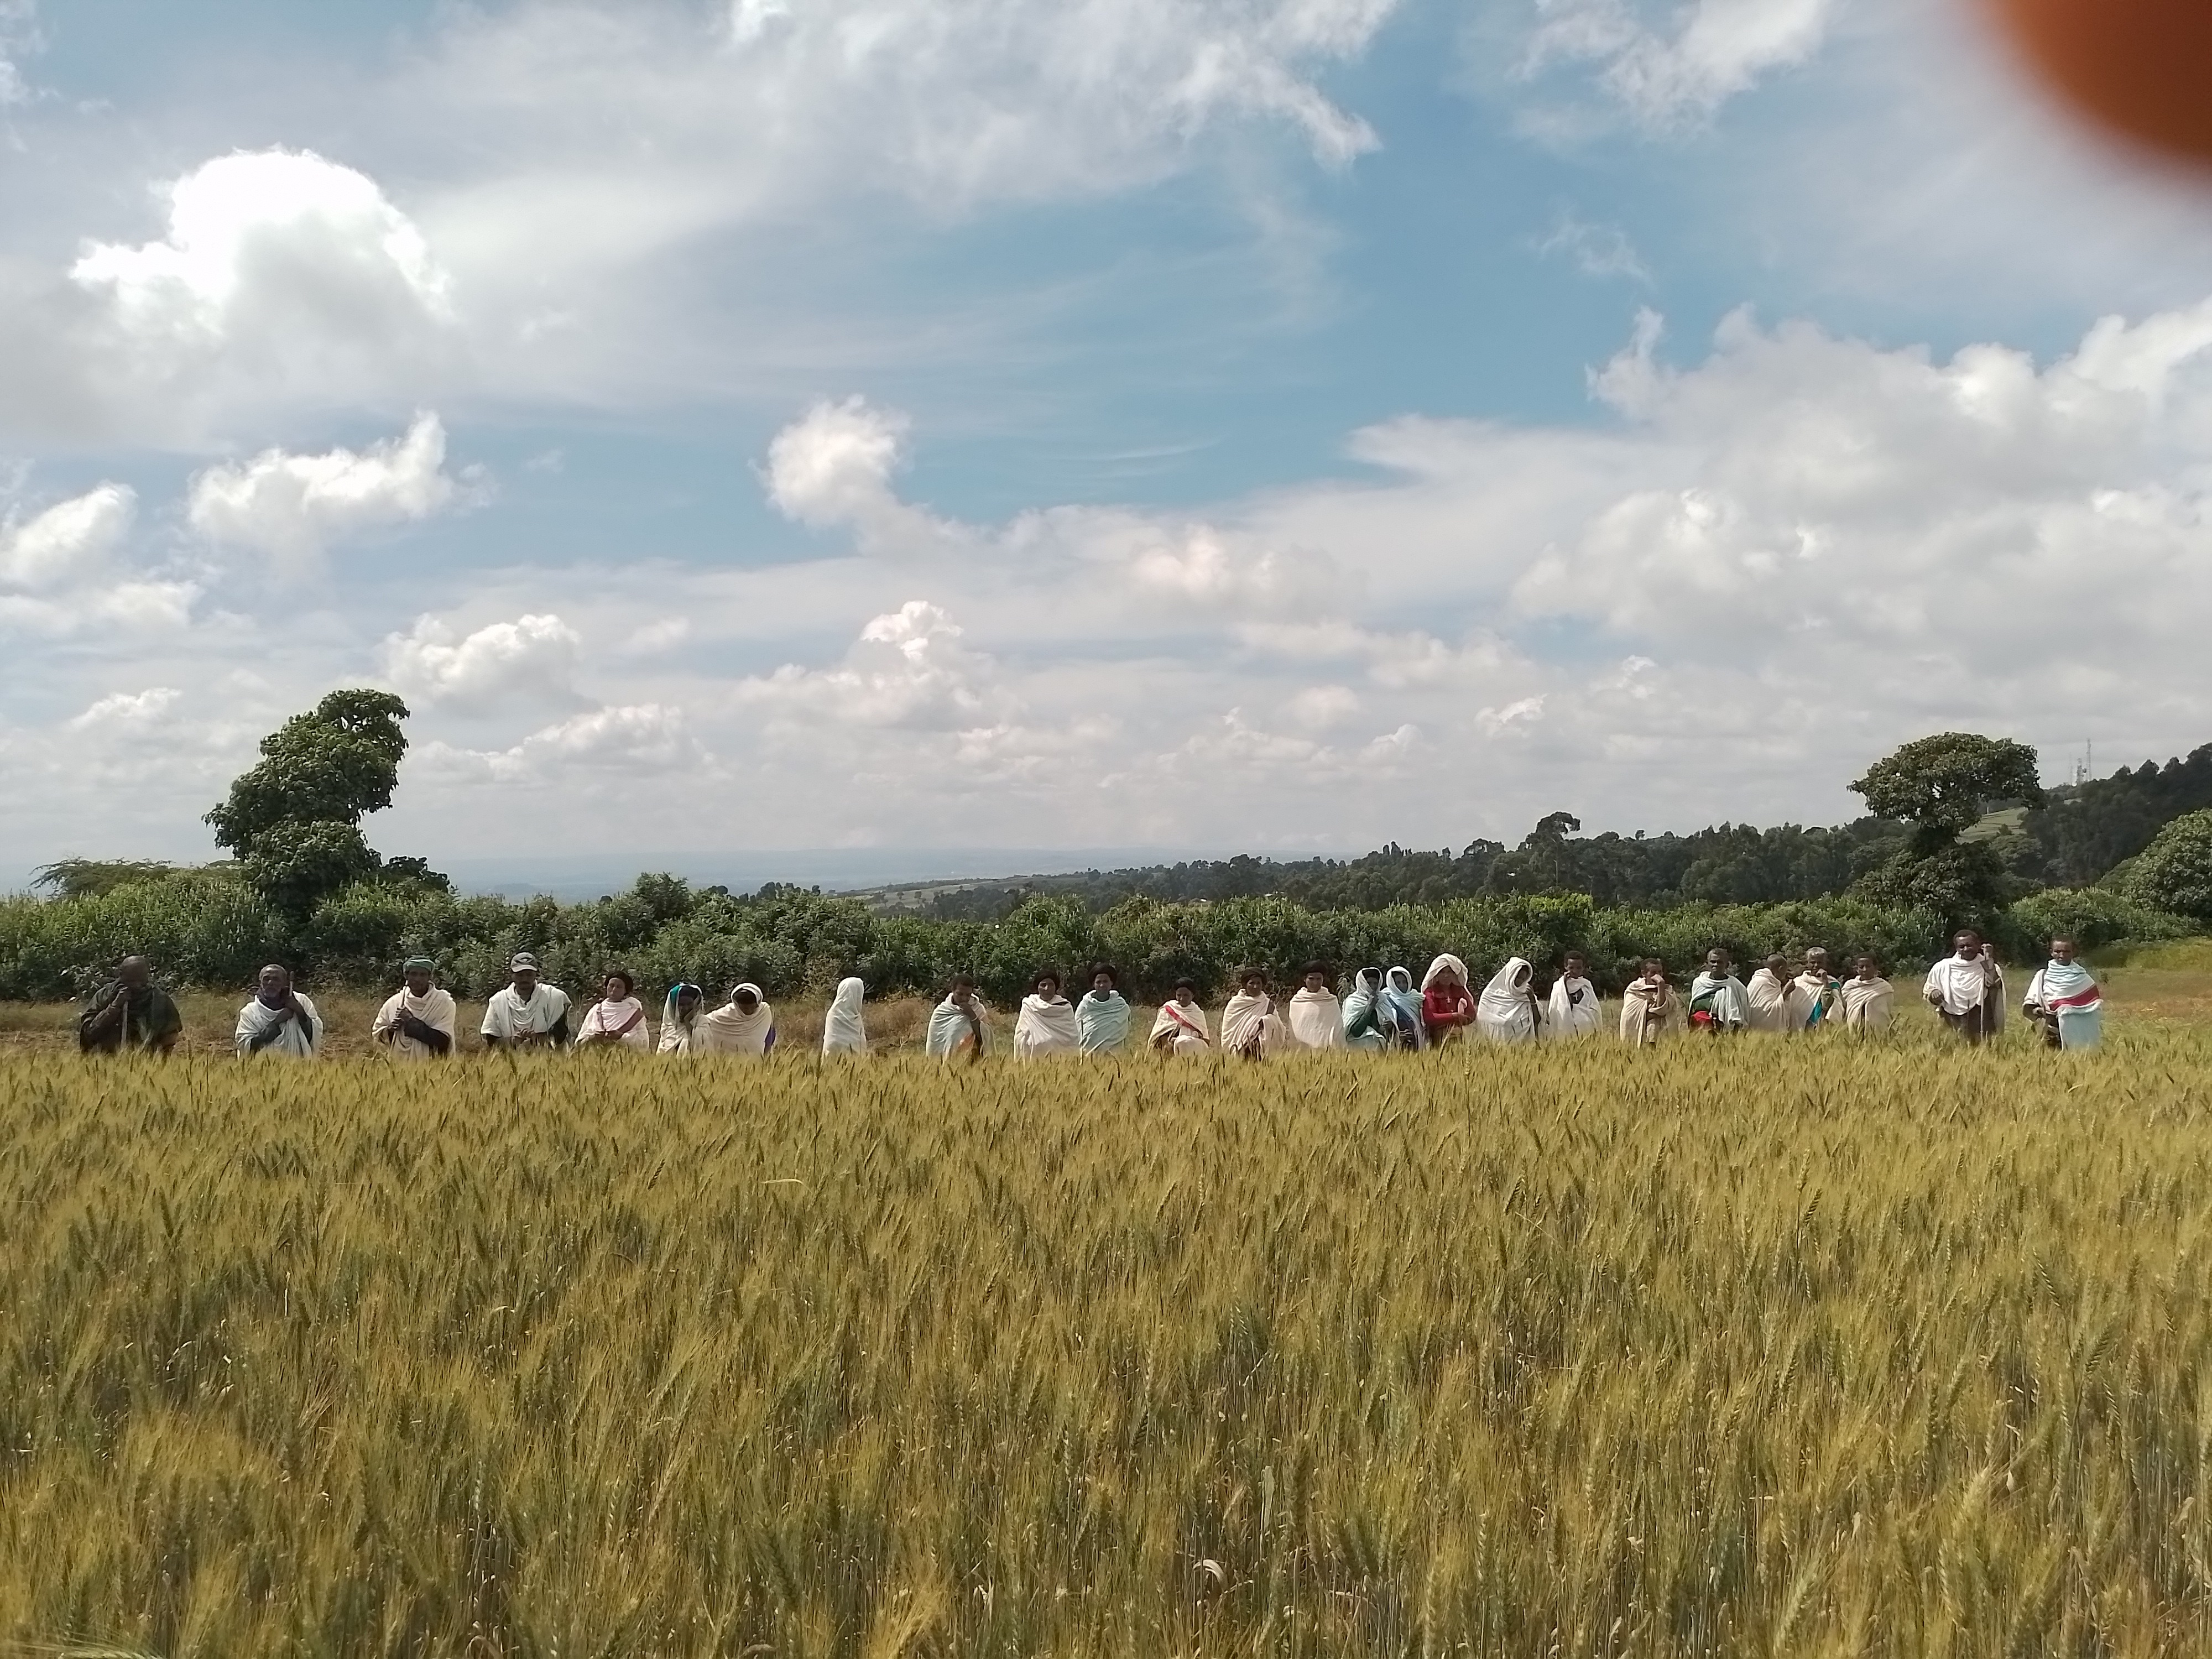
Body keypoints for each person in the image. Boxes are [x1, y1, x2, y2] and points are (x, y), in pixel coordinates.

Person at [77, 954, 183, 1057]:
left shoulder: (160, 999)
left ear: (147, 976)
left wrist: (160, 1059)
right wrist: (114, 1007)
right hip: (107, 1063)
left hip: (146, 1065)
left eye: (141, 980)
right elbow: (89, 1034)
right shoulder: (103, 996)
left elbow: (170, 1036)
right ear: (121, 974)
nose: (136, 985)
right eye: (131, 981)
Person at [1924, 930, 2004, 1044]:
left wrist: (1989, 958)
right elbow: (1929, 989)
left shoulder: (1988, 966)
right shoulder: (1942, 967)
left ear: (1978, 945)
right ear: (1957, 948)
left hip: (1980, 1019)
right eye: (1961, 946)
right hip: (1950, 1019)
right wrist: (1934, 993)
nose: (1966, 949)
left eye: (1969, 945)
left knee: (1982, 1049)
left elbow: (1993, 984)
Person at [481, 953, 572, 1051]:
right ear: (512, 975)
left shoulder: (554, 997)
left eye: (529, 975)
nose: (525, 979)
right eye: (520, 975)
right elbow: (490, 1039)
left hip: (549, 1062)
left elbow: (561, 1033)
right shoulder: (498, 1001)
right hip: (511, 1062)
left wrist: (538, 1038)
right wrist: (512, 1041)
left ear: (536, 974)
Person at [2023, 938, 2103, 1050]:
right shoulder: (2043, 976)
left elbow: (2093, 1008)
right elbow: (2030, 1004)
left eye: (2066, 952)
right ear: (2051, 952)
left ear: (2073, 952)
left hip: (2079, 1034)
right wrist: (2039, 1011)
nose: (2061, 955)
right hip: (2051, 1031)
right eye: (2057, 951)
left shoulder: (2083, 978)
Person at [371, 957, 456, 1060]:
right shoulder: (394, 1003)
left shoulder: (444, 1003)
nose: (417, 979)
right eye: (414, 974)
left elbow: (443, 1042)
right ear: (406, 976)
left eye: (423, 975)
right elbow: (377, 1034)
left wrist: (411, 1022)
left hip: (432, 1066)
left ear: (430, 977)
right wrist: (391, 1030)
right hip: (399, 1065)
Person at [236, 964, 321, 1058]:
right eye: (266, 979)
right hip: (264, 1069)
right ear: (260, 982)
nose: (270, 983)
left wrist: (299, 1011)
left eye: (276, 979)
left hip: (298, 1067)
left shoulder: (302, 1001)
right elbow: (246, 1046)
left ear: (284, 982)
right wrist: (277, 1022)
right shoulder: (250, 1012)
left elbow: (314, 1035)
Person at [574, 971, 653, 1052]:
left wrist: (621, 1037)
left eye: (619, 987)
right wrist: (593, 1038)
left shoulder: (634, 1013)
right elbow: (580, 1042)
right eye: (611, 986)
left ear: (625, 990)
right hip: (595, 1059)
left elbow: (643, 1043)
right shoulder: (596, 1011)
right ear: (607, 987)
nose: (614, 990)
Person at [1014, 970, 1080, 1058]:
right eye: (1043, 985)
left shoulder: (1065, 1007)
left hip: (1062, 1059)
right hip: (1034, 1059)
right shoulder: (1029, 1005)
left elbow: (1072, 1038)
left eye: (1051, 985)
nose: (1047, 988)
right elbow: (1021, 1034)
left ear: (1056, 987)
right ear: (1037, 987)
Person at [1477, 958, 1543, 1042]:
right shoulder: (1490, 995)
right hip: (1495, 1045)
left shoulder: (1526, 995)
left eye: (1523, 979)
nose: (1520, 981)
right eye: (1518, 977)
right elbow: (1483, 1018)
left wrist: (1532, 999)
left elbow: (1537, 1021)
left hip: (1522, 1049)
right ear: (1511, 975)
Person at [926, 975, 991, 1060]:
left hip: (970, 1061)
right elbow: (935, 1041)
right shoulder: (942, 1011)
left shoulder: (977, 1008)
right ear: (953, 990)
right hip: (943, 1065)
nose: (964, 998)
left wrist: (972, 1015)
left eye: (968, 995)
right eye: (960, 994)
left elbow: (986, 1037)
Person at [702, 982, 777, 1056]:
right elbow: (704, 1024)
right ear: (736, 1004)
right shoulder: (724, 1015)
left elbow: (770, 1034)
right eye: (745, 1008)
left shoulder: (764, 1012)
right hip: (729, 1063)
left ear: (758, 1003)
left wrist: (767, 1056)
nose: (749, 1011)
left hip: (757, 1063)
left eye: (753, 1007)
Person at [1284, 962, 1344, 1050]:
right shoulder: (1297, 1002)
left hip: (1327, 1053)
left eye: (1319, 979)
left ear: (1323, 980)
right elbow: (1296, 1031)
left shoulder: (1331, 1001)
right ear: (1305, 979)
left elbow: (1338, 1030)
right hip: (1303, 1054)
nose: (1315, 983)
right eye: (1311, 979)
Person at [1688, 949, 1749, 1035]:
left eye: (1720, 962)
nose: (1716, 965)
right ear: (1707, 964)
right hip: (1699, 1033)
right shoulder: (1699, 983)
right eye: (1713, 962)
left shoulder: (1737, 987)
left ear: (1727, 965)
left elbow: (1741, 1017)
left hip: (1724, 1034)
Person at [1620, 958, 1681, 1045]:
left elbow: (1663, 1008)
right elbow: (1629, 1015)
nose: (1658, 976)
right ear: (1644, 973)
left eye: (1660, 972)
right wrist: (1655, 1013)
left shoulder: (1668, 990)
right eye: (1654, 973)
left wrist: (1660, 985)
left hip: (1663, 1038)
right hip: (1639, 1034)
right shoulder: (1635, 989)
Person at [1420, 954, 1477, 1046]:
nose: (1446, 976)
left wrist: (1461, 1021)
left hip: (1458, 1035)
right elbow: (1430, 1018)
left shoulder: (1460, 991)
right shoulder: (1430, 992)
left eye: (1449, 972)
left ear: (1454, 975)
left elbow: (1472, 1014)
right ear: (1436, 975)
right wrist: (1454, 1016)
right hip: (1438, 1037)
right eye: (1442, 972)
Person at [1544, 952, 1603, 1040]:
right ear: (1565, 967)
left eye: (1579, 968)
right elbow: (1555, 1010)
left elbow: (1595, 1009)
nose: (1575, 971)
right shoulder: (1559, 986)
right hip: (1566, 1030)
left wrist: (1583, 1018)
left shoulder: (1586, 985)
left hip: (1586, 1031)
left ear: (1583, 968)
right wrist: (1564, 984)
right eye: (1571, 968)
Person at [1220, 968, 1277, 1060]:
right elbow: (1229, 1030)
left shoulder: (1268, 1004)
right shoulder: (1235, 1003)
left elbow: (1278, 1028)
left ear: (1262, 985)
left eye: (1259, 983)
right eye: (1252, 983)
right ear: (1245, 985)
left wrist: (1267, 1020)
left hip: (1260, 1052)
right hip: (1239, 1050)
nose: (1255, 986)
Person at [1746, 954, 1809, 1035]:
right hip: (1763, 1033)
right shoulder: (1763, 982)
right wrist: (1786, 992)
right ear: (1781, 969)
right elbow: (1769, 1012)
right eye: (1785, 972)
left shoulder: (1756, 981)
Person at [1077, 965, 1131, 1056]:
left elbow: (1126, 1027)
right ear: (1093, 984)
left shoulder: (1121, 1006)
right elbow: (1078, 1030)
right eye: (1098, 982)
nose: (1102, 985)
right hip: (1089, 1058)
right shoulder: (1085, 1006)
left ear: (1112, 983)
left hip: (1115, 1058)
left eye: (1105, 981)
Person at [1149, 980, 1213, 1056]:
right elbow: (1158, 1034)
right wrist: (1170, 1042)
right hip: (1168, 1048)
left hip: (1191, 1050)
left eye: (1186, 995)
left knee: (1183, 1041)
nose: (1182, 999)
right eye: (1179, 995)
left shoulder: (1197, 1013)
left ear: (1193, 996)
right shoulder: (1167, 1009)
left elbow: (1205, 1039)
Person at [1840, 956, 1895, 1033]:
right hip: (1854, 1031)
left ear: (1875, 968)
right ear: (1857, 969)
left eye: (1868, 966)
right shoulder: (1850, 986)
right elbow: (1843, 1006)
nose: (1865, 970)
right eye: (1861, 967)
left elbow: (1887, 1009)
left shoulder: (1884, 988)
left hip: (1878, 1032)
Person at [1794, 947, 1844, 1029]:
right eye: (1813, 962)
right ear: (1807, 963)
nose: (1816, 966)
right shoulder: (1798, 982)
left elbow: (1827, 1006)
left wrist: (1825, 982)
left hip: (1819, 1028)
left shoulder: (1832, 984)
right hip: (1796, 1026)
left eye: (1820, 963)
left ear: (1825, 964)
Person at [1342, 967, 1389, 1051]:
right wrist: (1370, 1007)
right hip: (1358, 1050)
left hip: (1379, 1050)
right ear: (1362, 983)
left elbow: (1382, 1029)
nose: (1373, 987)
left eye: (1375, 983)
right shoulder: (1353, 1001)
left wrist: (1387, 1027)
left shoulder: (1383, 1000)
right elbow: (1356, 1031)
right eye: (1369, 983)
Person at [1380, 966, 1426, 1050]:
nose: (1402, 985)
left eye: (1405, 982)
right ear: (1392, 984)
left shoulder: (1416, 997)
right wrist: (1394, 1030)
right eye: (1398, 983)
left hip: (1415, 1038)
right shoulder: (1385, 998)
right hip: (1396, 1040)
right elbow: (1383, 1020)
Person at [822, 977, 868, 1055]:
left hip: (853, 1064)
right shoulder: (834, 1014)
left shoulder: (855, 1016)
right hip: (835, 1059)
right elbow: (832, 1042)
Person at [656, 983, 706, 1054]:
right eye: (681, 1005)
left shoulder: (702, 1023)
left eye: (690, 1004)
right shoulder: (668, 1028)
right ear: (673, 1006)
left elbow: (701, 1050)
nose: (686, 1008)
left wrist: (687, 1022)